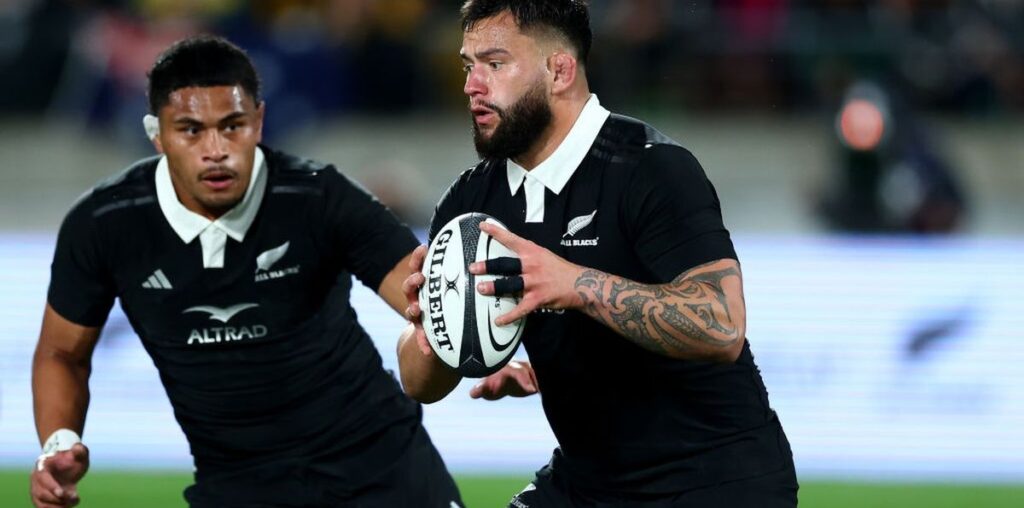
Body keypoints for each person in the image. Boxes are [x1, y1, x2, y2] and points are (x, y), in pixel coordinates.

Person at [29, 35, 469, 508]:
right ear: (156, 134)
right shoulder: (105, 224)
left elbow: (424, 298)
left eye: (232, 125)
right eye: (191, 130)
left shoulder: (321, 197)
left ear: (259, 120)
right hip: (237, 487)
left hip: (383, 470)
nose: (215, 149)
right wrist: (58, 442)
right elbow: (61, 352)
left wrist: (465, 330)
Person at [398, 1, 799, 507]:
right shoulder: (470, 204)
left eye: (495, 64)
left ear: (559, 69)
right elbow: (417, 382)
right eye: (467, 65)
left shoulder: (652, 170)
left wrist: (574, 283)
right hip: (589, 483)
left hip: (715, 481)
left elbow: (722, 326)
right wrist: (438, 329)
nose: (471, 86)